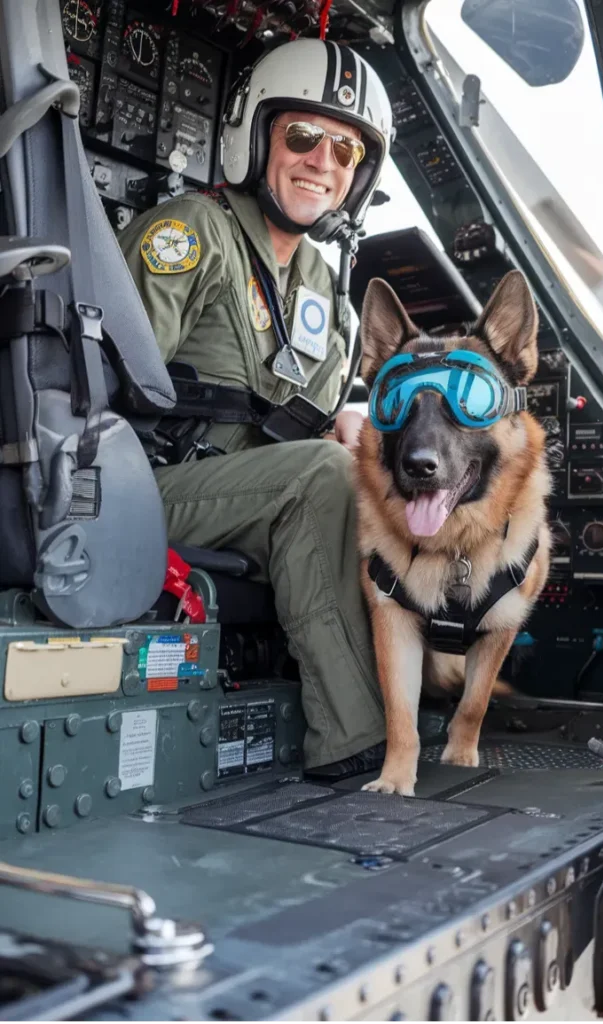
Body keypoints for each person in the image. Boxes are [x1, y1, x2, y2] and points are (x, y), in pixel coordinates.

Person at [118, 37, 394, 777]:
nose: (321, 164)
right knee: (323, 477)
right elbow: (112, 384)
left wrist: (353, 426)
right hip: (146, 490)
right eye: (302, 137)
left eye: (344, 153)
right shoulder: (190, 232)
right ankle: (356, 739)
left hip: (254, 492)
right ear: (258, 137)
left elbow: (327, 415)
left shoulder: (322, 288)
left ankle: (427, 709)